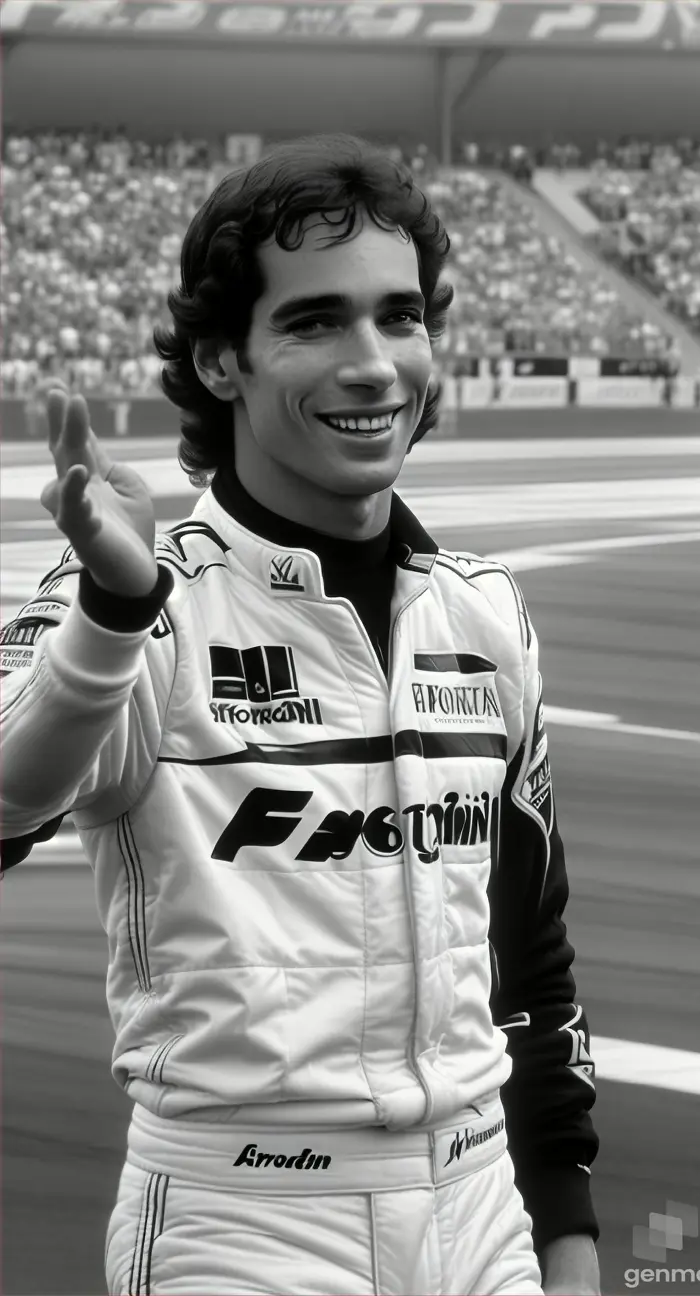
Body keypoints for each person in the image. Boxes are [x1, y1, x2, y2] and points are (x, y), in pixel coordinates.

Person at [0, 134, 600, 1296]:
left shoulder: (486, 616)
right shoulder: (139, 599)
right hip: (243, 1223)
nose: (376, 363)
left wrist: (566, 1245)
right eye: (318, 322)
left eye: (402, 316)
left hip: (487, 1221)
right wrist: (115, 613)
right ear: (223, 362)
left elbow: (531, 969)